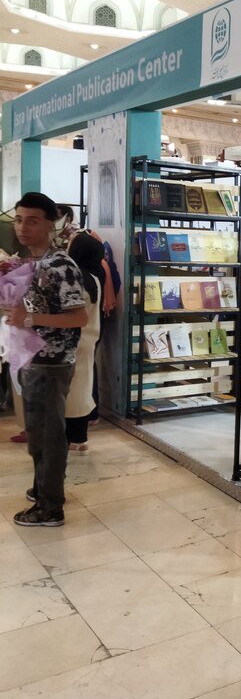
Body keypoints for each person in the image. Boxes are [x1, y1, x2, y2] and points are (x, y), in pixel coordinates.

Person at [6, 192, 87, 527]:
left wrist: (28, 319)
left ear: (50, 224)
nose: (22, 227)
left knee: (48, 436)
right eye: (18, 219)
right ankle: (44, 487)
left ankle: (50, 507)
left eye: (32, 220)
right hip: (34, 357)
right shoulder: (35, 262)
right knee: (38, 433)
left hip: (51, 363)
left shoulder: (59, 265)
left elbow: (78, 317)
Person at [64, 232, 103, 451]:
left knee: (70, 393)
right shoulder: (94, 279)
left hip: (72, 342)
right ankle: (80, 438)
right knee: (82, 389)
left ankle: (70, 439)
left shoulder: (72, 279)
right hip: (88, 341)